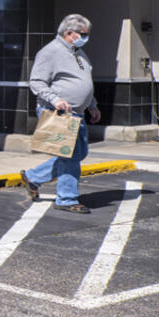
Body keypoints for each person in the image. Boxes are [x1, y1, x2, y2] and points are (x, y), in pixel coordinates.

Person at [20, 13, 100, 213]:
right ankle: (67, 199)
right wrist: (55, 99)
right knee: (70, 156)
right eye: (83, 34)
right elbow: (36, 81)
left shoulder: (79, 52)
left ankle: (33, 177)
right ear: (69, 32)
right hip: (58, 111)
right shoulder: (50, 52)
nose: (85, 38)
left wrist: (92, 104)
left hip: (77, 112)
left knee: (78, 153)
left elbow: (84, 80)